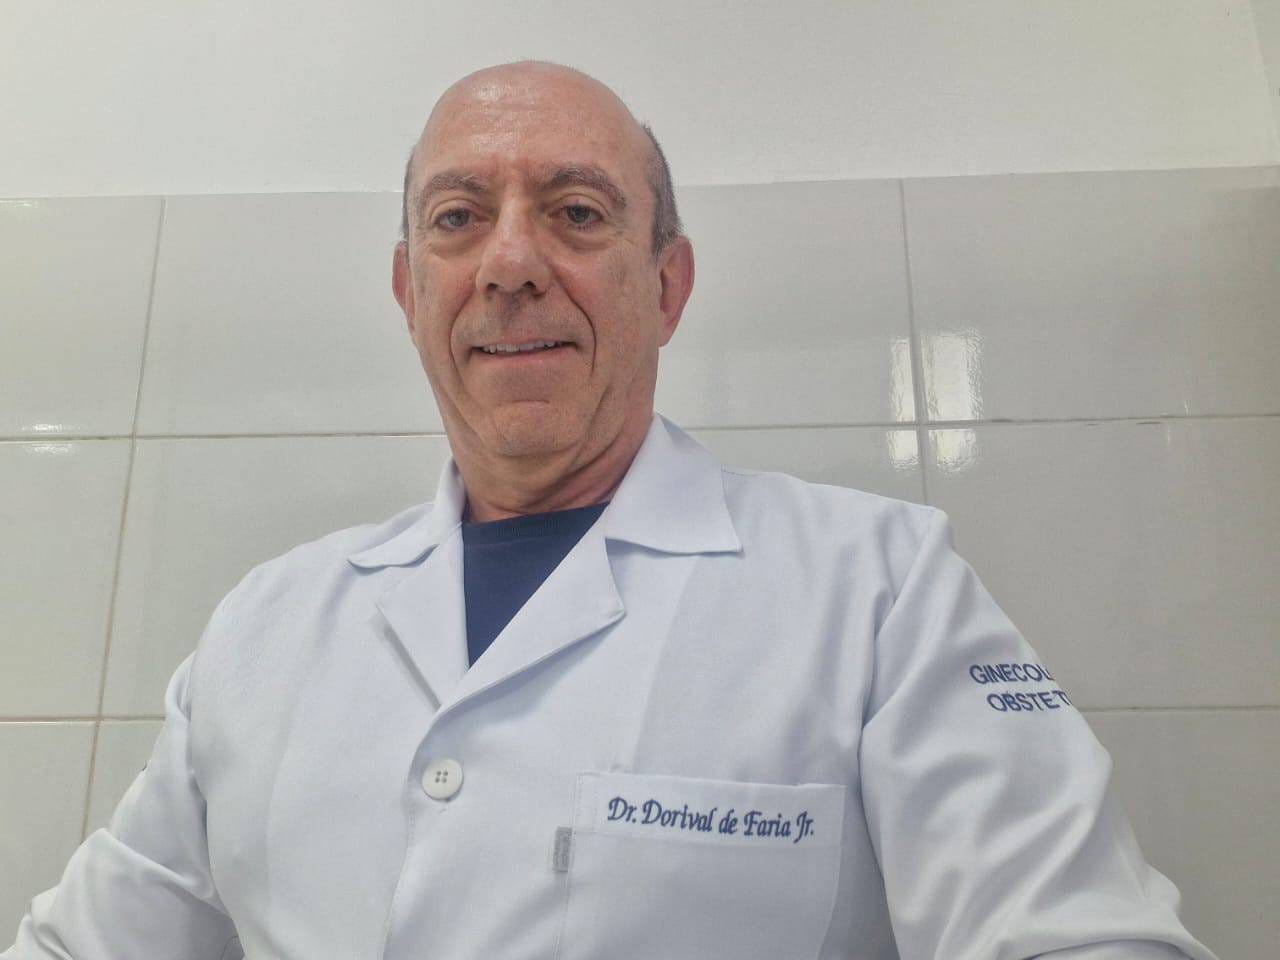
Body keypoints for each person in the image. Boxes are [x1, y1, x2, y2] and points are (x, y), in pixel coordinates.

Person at [4, 60, 1220, 960]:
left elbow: (1076, 934)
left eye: (577, 212)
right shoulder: (265, 627)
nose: (509, 263)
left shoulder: (879, 589)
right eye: (457, 218)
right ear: (409, 290)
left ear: (667, 285)